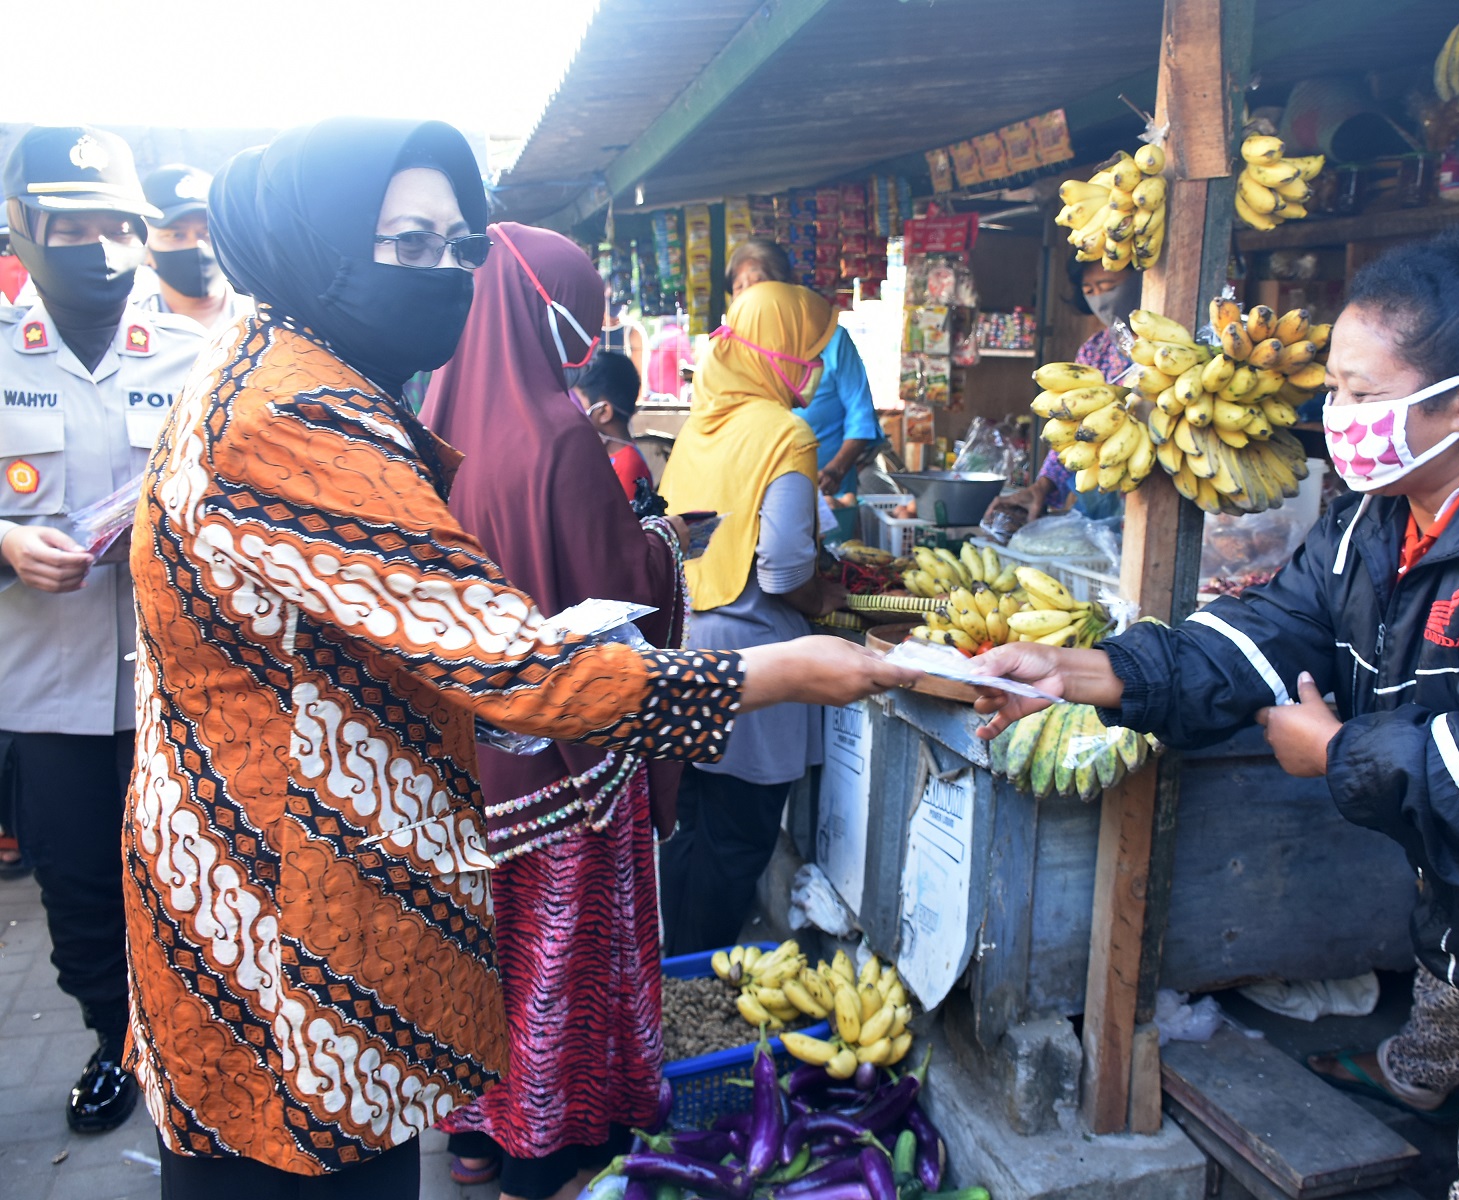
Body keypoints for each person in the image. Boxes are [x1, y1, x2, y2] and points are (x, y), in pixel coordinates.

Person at [125, 116, 915, 1199]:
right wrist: (785, 671)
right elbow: (518, 668)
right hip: (278, 913)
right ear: (318, 242)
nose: (443, 274)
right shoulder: (291, 415)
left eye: (460, 247)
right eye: (405, 243)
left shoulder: (288, 371)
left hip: (276, 876)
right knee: (297, 1165)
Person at [970, 210, 1459, 1200]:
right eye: (1329, 386)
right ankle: (1424, 1080)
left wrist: (1334, 752)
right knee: (1450, 1004)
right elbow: (1282, 625)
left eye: (1358, 391)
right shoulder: (1379, 508)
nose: (1333, 411)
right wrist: (1100, 673)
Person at [419, 221, 687, 1200]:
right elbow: (613, 586)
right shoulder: (561, 436)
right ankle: (549, 1152)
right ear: (541, 310)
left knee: (477, 957)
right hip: (558, 767)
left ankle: (474, 1142)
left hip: (459, 762)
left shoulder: (428, 425)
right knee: (556, 964)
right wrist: (659, 541)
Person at [1, 124, 208, 1135]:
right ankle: (107, 1040)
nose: (99, 247)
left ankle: (186, 1038)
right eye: (71, 225)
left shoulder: (195, 356)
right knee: (80, 890)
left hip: (177, 688)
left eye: (118, 227)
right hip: (48, 689)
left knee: (184, 882)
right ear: (22, 226)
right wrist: (3, 542)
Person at [657, 280, 848, 955]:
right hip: (752, 664)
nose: (819, 369)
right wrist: (824, 597)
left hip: (681, 654)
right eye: (813, 353)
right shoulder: (785, 433)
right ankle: (699, 981)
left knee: (689, 832)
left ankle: (671, 979)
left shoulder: (698, 428)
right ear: (781, 354)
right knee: (737, 844)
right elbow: (784, 569)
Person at [985, 255, 1138, 524]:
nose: (1100, 298)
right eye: (1090, 291)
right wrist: (1043, 485)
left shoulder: (1169, 347)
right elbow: (1071, 427)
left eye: (1108, 285)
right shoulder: (1094, 350)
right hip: (1099, 494)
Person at [725, 237, 879, 496]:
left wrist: (835, 470)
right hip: (759, 491)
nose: (750, 294)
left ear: (786, 286)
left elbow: (861, 417)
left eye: (758, 282)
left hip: (829, 491)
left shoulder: (831, 339)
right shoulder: (734, 349)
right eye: (740, 287)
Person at [135, 163, 254, 335]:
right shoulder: (127, 328)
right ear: (146, 248)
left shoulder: (267, 324)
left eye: (207, 234)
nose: (197, 246)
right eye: (176, 235)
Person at [570, 349, 654, 497]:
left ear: (603, 412)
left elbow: (624, 519)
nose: (573, 408)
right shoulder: (606, 454)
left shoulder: (629, 466)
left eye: (579, 403)